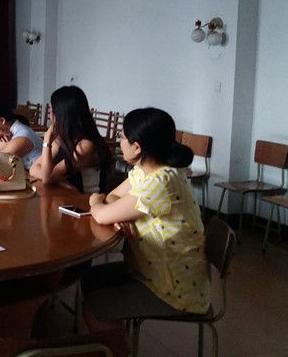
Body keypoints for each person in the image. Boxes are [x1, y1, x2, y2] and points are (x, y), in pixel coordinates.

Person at [82, 107, 209, 331]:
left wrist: (94, 200)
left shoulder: (161, 182)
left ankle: (117, 345)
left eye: (123, 137)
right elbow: (112, 198)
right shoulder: (145, 170)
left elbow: (101, 212)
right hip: (146, 272)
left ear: (137, 147)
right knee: (89, 279)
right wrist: (119, 215)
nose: (120, 141)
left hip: (174, 291)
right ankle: (116, 337)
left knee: (95, 310)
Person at [29, 86, 110, 193]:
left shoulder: (86, 145)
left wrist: (47, 138)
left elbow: (47, 178)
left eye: (52, 111)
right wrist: (61, 182)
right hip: (64, 195)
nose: (50, 116)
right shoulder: (62, 138)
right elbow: (34, 168)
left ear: (63, 114)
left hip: (84, 200)